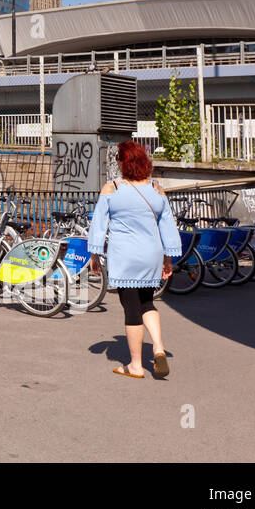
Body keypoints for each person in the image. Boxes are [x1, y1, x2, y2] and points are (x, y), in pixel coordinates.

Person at [87, 141, 181, 378]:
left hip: (125, 255)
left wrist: (95, 253)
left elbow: (99, 224)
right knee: (147, 302)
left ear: (122, 162)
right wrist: (167, 258)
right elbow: (167, 224)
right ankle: (158, 348)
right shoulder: (157, 188)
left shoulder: (113, 189)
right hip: (152, 253)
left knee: (131, 308)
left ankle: (135, 365)